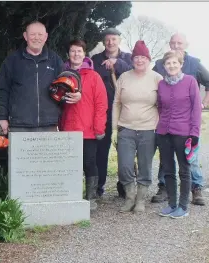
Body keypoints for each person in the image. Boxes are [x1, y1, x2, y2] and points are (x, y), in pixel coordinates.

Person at [151, 33, 209, 205]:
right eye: (172, 43)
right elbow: (150, 83)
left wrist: (203, 103)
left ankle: (196, 188)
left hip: (187, 124)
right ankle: (164, 187)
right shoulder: (159, 64)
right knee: (166, 160)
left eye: (179, 43)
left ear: (186, 44)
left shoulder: (195, 64)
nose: (176, 46)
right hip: (166, 125)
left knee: (190, 159)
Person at [0, 21, 80, 133]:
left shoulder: (55, 60)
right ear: (25, 36)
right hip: (19, 125)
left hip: (49, 124)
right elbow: (2, 91)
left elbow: (66, 86)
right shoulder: (12, 61)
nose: (36, 38)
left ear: (45, 37)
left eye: (40, 35)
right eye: (32, 34)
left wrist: (76, 94)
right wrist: (2, 117)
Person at [111, 41, 163, 213]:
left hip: (149, 129)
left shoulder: (157, 78)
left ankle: (140, 200)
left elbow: (164, 105)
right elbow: (116, 104)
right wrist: (114, 129)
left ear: (148, 59)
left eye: (143, 57)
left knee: (145, 165)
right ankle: (130, 196)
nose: (140, 60)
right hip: (126, 129)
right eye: (137, 57)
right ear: (132, 59)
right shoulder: (124, 77)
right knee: (124, 166)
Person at [58, 40, 107, 211]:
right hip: (68, 127)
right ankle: (72, 195)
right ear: (68, 54)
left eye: (79, 51)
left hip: (88, 130)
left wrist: (99, 127)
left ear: (84, 54)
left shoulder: (93, 76)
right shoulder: (62, 74)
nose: (76, 54)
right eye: (72, 51)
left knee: (89, 162)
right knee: (69, 164)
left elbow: (101, 103)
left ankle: (91, 197)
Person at [156, 50, 201, 218]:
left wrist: (194, 133)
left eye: (175, 63)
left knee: (184, 170)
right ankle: (172, 204)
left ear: (181, 64)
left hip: (183, 133)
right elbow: (160, 106)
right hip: (163, 133)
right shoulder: (161, 84)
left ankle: (183, 206)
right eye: (168, 63)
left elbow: (196, 109)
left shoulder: (190, 81)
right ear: (164, 66)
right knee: (168, 169)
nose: (172, 66)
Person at [91, 28, 133, 198]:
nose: (111, 42)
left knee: (126, 152)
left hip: (125, 112)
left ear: (119, 40)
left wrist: (117, 63)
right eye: (107, 39)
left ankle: (125, 186)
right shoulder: (95, 60)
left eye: (114, 39)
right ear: (103, 42)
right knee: (101, 151)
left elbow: (134, 73)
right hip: (104, 113)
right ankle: (98, 187)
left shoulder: (129, 59)